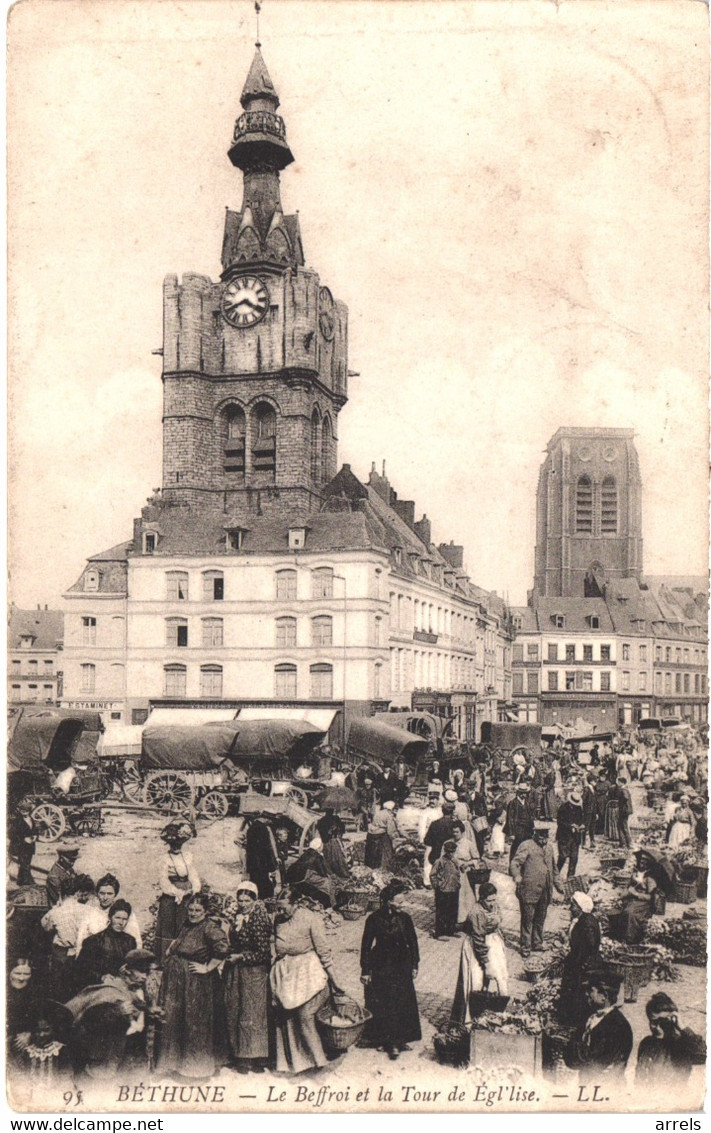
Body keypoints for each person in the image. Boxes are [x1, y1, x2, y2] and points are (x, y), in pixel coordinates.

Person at [270, 885, 345, 1074]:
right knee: (285, 1017)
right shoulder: (278, 919)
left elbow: (323, 950)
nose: (279, 912)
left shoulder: (311, 918)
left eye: (283, 907)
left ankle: (318, 1061)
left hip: (307, 970)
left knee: (304, 1015)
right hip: (286, 971)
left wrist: (335, 980)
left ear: (295, 904)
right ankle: (294, 1063)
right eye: (278, 907)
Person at [158, 892, 229, 1079]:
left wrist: (207, 968)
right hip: (179, 982)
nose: (193, 913)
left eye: (198, 910)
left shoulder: (210, 928)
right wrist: (171, 949)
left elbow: (223, 949)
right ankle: (178, 1065)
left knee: (195, 1024)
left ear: (205, 911)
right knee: (178, 1021)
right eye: (191, 910)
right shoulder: (188, 924)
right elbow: (180, 940)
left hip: (196, 983)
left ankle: (196, 1070)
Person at [64, 949, 157, 1079]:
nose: (145, 976)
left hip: (126, 1057)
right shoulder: (109, 992)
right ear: (128, 970)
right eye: (141, 971)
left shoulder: (135, 990)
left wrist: (149, 1011)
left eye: (147, 972)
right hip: (103, 1059)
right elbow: (90, 1023)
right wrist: (117, 1012)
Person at [360, 881, 421, 1060]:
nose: (402, 905)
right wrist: (365, 970)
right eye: (399, 902)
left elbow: (413, 942)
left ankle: (400, 1039)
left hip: (402, 964)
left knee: (403, 1001)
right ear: (388, 902)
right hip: (381, 965)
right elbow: (365, 945)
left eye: (403, 902)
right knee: (384, 1002)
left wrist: (415, 964)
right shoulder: (373, 919)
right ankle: (385, 1040)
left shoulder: (406, 919)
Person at [223, 881, 272, 1073]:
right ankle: (240, 1055)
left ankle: (256, 1058)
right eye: (240, 900)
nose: (243, 904)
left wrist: (241, 956)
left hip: (255, 972)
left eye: (247, 900)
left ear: (255, 900)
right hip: (238, 969)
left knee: (253, 1014)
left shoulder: (259, 918)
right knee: (236, 1010)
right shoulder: (239, 915)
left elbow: (264, 953)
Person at [451, 881, 509, 1026]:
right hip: (477, 946)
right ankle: (471, 1019)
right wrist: (486, 963)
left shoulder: (494, 906)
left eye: (494, 899)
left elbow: (497, 923)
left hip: (493, 942)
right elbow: (478, 939)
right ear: (482, 898)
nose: (492, 903)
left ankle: (495, 1014)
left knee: (500, 977)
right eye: (489, 900)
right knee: (476, 980)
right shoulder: (476, 912)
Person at [569, 970, 633, 1084]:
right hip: (587, 1084)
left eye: (591, 990)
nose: (586, 994)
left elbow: (597, 1063)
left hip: (607, 1088)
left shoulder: (617, 1026)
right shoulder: (591, 1017)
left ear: (604, 996)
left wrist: (576, 1053)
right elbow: (571, 1057)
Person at [510, 823, 563, 957]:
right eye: (541, 834)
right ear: (535, 834)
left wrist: (559, 886)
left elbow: (555, 870)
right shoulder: (526, 845)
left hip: (545, 889)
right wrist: (516, 875)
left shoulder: (550, 848)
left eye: (545, 835)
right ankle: (525, 947)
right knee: (528, 919)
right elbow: (515, 863)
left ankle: (537, 943)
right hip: (529, 889)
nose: (543, 837)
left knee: (540, 918)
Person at [40, 874, 95, 1001]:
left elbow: (45, 927)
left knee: (58, 988)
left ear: (61, 893)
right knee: (77, 987)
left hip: (61, 953)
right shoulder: (87, 910)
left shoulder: (56, 912)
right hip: (81, 952)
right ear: (76, 893)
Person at [635, 993, 707, 1084]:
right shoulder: (646, 1043)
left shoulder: (681, 1045)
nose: (656, 1026)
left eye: (662, 1021)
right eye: (653, 1021)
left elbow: (703, 1054)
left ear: (673, 1021)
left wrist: (683, 1027)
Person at [155, 821, 201, 963]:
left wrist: (194, 888)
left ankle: (185, 956)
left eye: (179, 844)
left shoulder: (187, 856)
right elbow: (163, 881)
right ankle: (166, 960)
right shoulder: (164, 859)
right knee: (169, 925)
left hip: (187, 895)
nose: (176, 848)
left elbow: (193, 874)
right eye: (173, 845)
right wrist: (177, 892)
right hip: (171, 897)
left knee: (185, 923)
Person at [558, 891, 601, 1027]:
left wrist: (580, 964)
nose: (571, 908)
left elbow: (589, 945)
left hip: (585, 964)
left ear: (581, 907)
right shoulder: (583, 919)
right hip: (579, 960)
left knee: (578, 992)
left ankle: (574, 1021)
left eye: (573, 906)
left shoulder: (587, 924)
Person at [76, 873, 142, 954]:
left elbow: (136, 941)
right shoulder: (90, 914)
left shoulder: (124, 914)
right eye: (102, 893)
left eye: (110, 894)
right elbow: (81, 940)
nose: (105, 898)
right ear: (97, 894)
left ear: (115, 894)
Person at [80, 900, 138, 985]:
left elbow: (133, 967)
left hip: (122, 985)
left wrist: (128, 971)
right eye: (117, 918)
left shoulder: (130, 941)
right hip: (98, 986)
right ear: (110, 917)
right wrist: (101, 977)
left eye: (124, 919)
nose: (121, 922)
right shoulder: (94, 941)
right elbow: (81, 969)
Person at [614, 854, 658, 945]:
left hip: (643, 902)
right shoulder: (635, 873)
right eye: (641, 863)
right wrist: (620, 896)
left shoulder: (650, 878)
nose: (642, 865)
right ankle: (620, 936)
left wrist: (636, 894)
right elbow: (628, 888)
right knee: (618, 910)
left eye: (645, 864)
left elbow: (650, 897)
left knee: (629, 913)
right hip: (631, 899)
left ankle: (630, 938)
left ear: (648, 865)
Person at [430, 839, 460, 940]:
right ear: (445, 851)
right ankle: (440, 933)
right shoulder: (439, 861)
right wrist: (437, 886)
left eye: (452, 851)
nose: (450, 853)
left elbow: (458, 872)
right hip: (443, 890)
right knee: (442, 912)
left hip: (453, 889)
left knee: (452, 911)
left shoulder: (455, 861)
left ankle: (450, 930)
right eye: (448, 851)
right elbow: (432, 875)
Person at [246, 814, 280, 899]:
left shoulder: (251, 828)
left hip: (252, 863)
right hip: (261, 864)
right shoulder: (263, 829)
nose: (271, 822)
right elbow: (266, 850)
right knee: (265, 887)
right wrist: (272, 867)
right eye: (270, 819)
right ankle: (265, 904)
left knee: (255, 883)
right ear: (266, 818)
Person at [365, 800, 402, 871]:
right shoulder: (389, 815)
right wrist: (395, 837)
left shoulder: (378, 813)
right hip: (381, 834)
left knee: (372, 852)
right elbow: (390, 830)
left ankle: (371, 866)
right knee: (387, 850)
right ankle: (385, 866)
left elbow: (373, 822)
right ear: (391, 808)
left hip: (371, 833)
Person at [8, 799, 38, 886]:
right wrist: (23, 839)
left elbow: (35, 830)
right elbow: (11, 835)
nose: (24, 812)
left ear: (29, 811)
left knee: (26, 863)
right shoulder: (17, 821)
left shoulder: (31, 819)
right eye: (22, 810)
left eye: (26, 811)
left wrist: (35, 836)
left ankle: (20, 881)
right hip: (20, 846)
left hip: (30, 846)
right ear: (20, 810)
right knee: (25, 865)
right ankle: (30, 882)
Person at [556, 790, 584, 880]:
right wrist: (570, 825)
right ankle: (555, 875)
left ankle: (570, 877)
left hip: (575, 837)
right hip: (564, 836)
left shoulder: (579, 808)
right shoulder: (563, 808)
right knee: (563, 857)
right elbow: (560, 822)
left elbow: (581, 819)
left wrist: (581, 825)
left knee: (574, 858)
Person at [423, 800, 457, 876]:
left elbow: (427, 841)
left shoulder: (434, 824)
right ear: (452, 812)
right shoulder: (456, 824)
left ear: (442, 811)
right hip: (452, 857)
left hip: (435, 855)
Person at [418, 790, 443, 887]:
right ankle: (427, 881)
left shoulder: (441, 811)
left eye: (434, 799)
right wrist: (422, 839)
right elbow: (421, 827)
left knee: (441, 859)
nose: (432, 801)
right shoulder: (425, 812)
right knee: (428, 860)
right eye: (431, 799)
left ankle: (439, 879)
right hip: (430, 839)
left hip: (440, 839)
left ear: (438, 800)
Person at [316, 810, 350, 880]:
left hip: (330, 843)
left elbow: (342, 830)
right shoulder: (326, 820)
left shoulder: (333, 819)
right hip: (330, 843)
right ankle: (335, 874)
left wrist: (337, 828)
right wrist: (331, 830)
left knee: (334, 859)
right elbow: (324, 835)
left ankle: (334, 874)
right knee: (335, 859)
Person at [505, 784, 536, 859]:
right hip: (518, 829)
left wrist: (532, 827)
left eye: (525, 793)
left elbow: (530, 816)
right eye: (522, 793)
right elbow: (510, 819)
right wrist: (511, 833)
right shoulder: (513, 803)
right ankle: (512, 865)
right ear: (518, 793)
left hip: (527, 830)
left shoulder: (527, 803)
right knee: (516, 848)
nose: (524, 795)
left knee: (526, 848)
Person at [581, 774, 598, 849]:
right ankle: (583, 842)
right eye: (595, 781)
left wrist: (596, 812)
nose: (596, 782)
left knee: (592, 827)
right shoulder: (587, 789)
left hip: (593, 811)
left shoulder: (593, 789)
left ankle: (592, 841)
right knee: (586, 827)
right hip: (587, 811)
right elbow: (583, 800)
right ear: (591, 781)